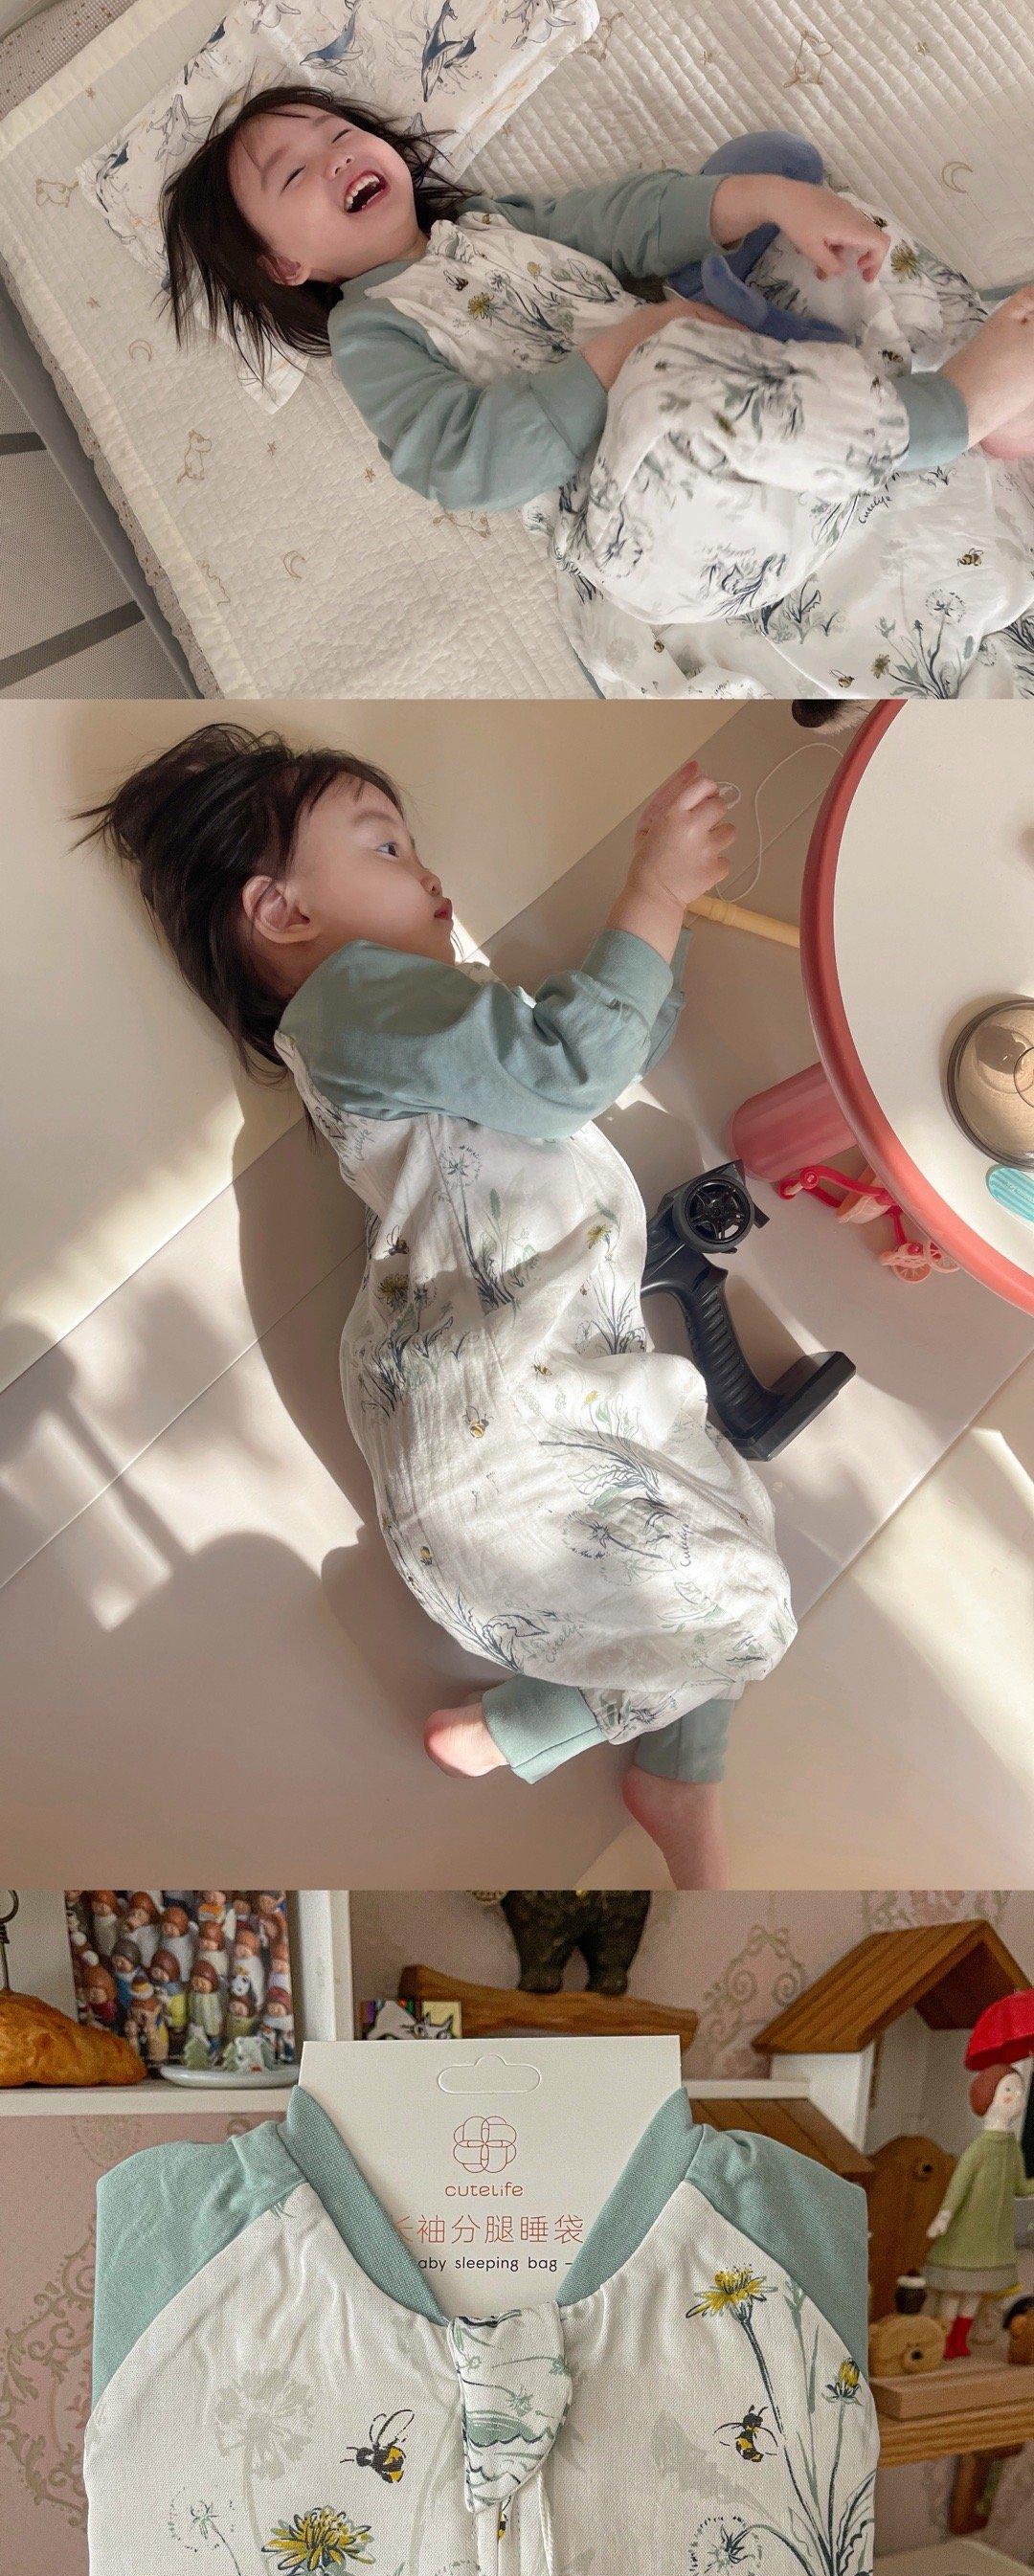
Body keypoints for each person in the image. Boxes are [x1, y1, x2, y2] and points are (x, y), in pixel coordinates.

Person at [86, 721, 798, 1875]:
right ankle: (545, 1734)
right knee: (746, 1604)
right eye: (385, 847)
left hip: (552, 1386)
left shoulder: (408, 1018)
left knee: (733, 1528)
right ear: (282, 913)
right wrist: (653, 895)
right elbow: (570, 1067)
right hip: (499, 1420)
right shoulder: (349, 1009)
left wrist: (656, 945)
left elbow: (572, 1063)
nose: (427, 871)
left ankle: (664, 1766)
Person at [158, 78, 1034, 693]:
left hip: (760, 451)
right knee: (664, 376)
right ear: (287, 265)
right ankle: (947, 415)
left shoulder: (495, 223)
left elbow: (630, 216)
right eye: (293, 173)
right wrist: (638, 339)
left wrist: (771, 199)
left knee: (835, 232)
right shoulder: (372, 331)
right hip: (649, 531)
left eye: (337, 132)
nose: (334, 156)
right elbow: (463, 462)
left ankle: (982, 378)